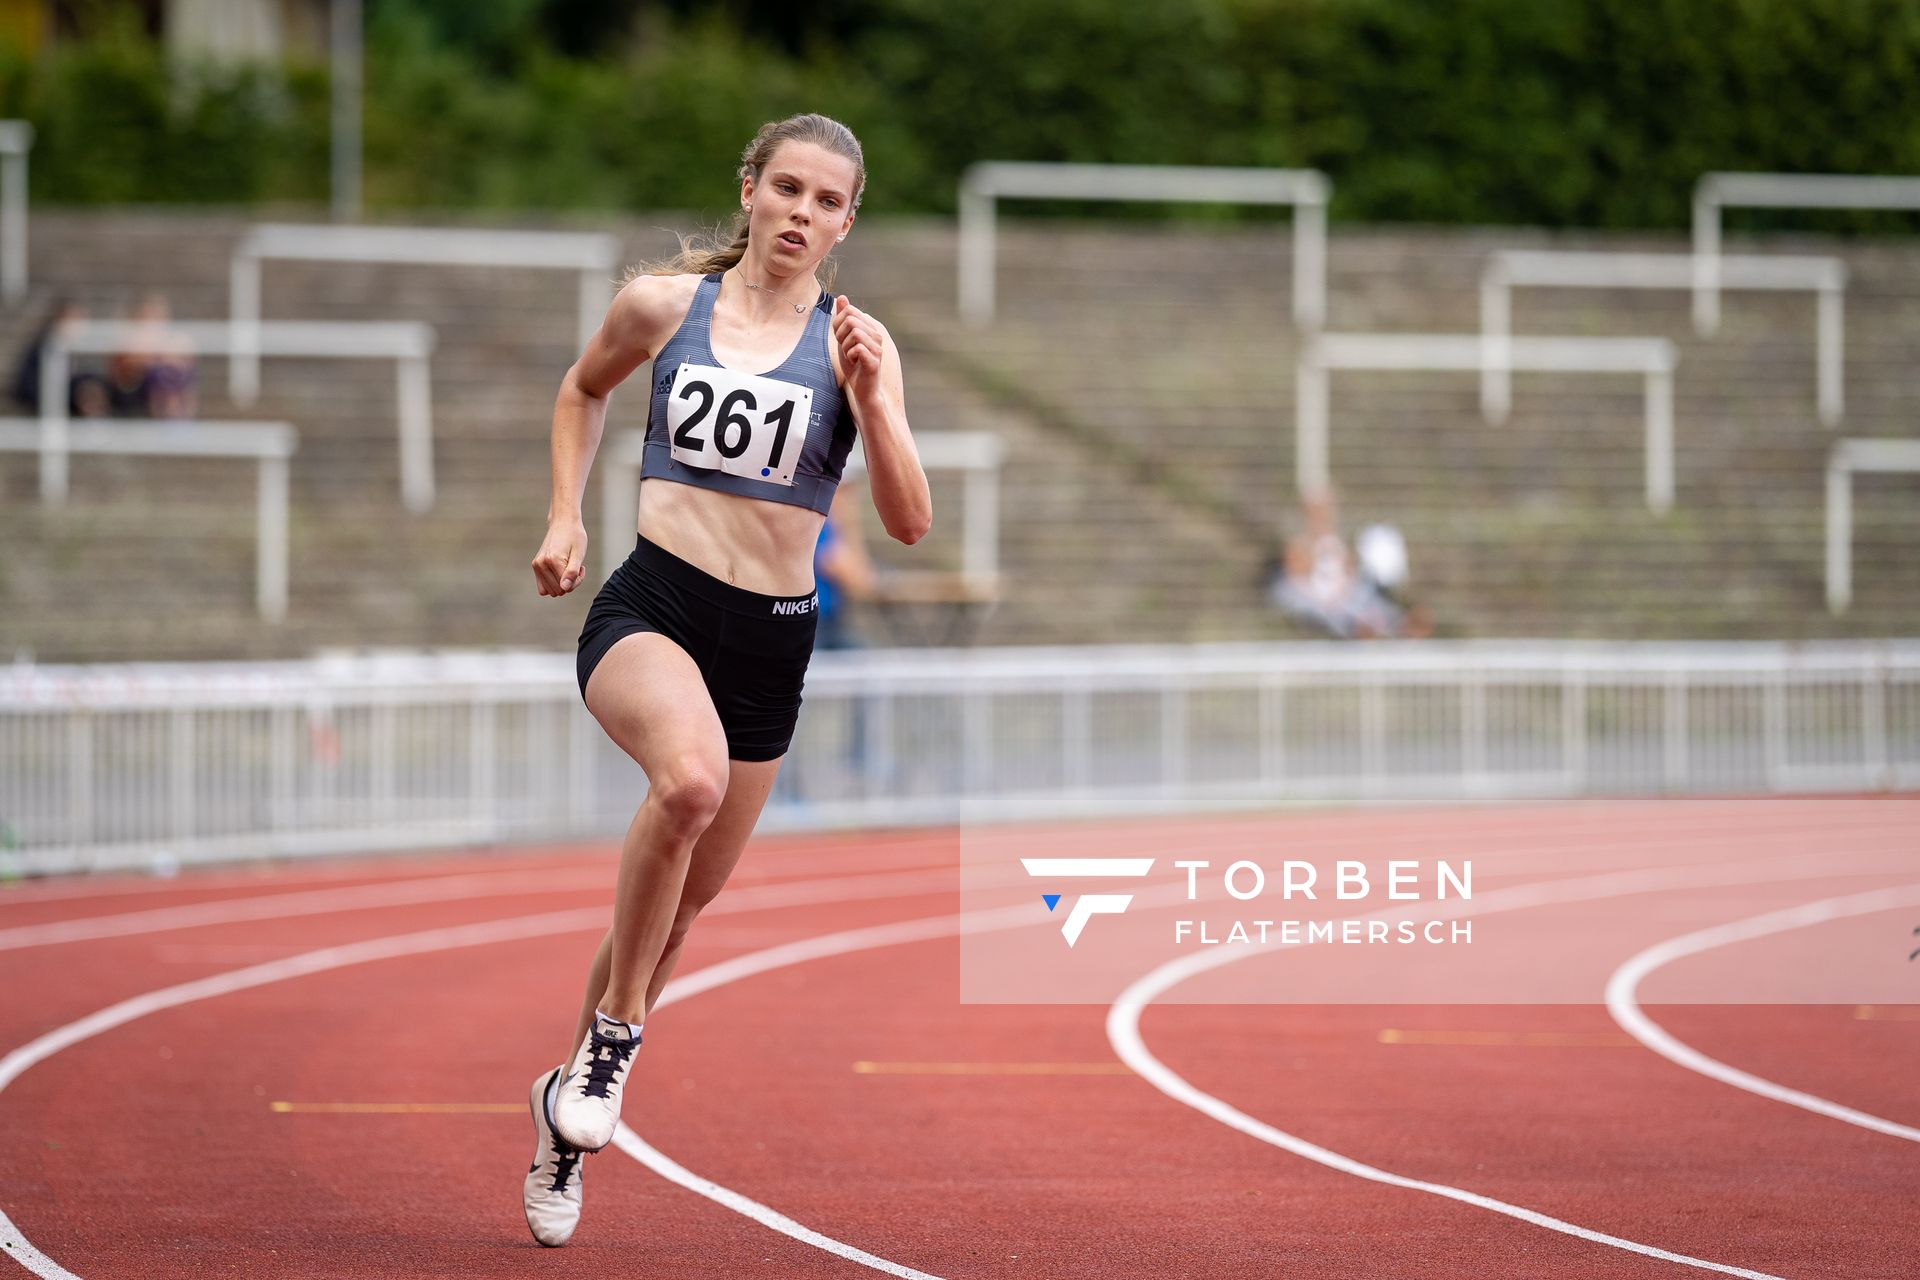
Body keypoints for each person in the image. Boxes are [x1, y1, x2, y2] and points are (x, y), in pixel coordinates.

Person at [523, 112, 930, 1248]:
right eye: (786, 188)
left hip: (772, 637)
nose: (803, 213)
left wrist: (879, 402)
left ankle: (564, 1111)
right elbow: (579, 390)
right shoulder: (667, 306)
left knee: (685, 905)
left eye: (827, 200)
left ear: (849, 221)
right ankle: (613, 1042)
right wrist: (565, 516)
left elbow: (907, 520)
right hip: (653, 605)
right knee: (689, 783)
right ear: (748, 190)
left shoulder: (861, 344)